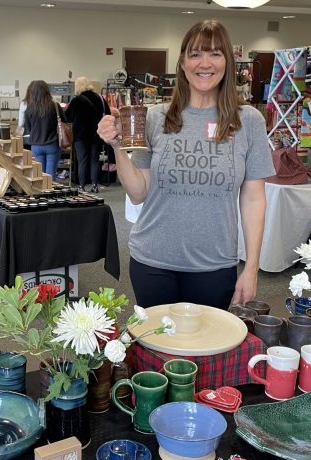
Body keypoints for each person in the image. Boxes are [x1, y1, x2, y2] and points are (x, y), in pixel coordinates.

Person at [97, 20, 274, 310]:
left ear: (227, 62)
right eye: (195, 54)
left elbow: (254, 199)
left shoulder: (248, 121)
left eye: (215, 54)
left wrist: (252, 267)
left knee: (206, 351)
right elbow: (138, 192)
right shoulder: (156, 117)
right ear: (182, 63)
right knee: (157, 350)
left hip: (214, 266)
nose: (205, 63)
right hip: (152, 261)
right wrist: (117, 146)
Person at [65, 76, 110, 192]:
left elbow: (67, 117)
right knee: (95, 160)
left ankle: (81, 186)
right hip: (96, 134)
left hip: (80, 136)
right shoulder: (99, 98)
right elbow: (108, 113)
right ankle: (95, 186)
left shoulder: (76, 100)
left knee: (82, 161)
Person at [23, 80, 67, 178]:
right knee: (50, 175)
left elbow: (28, 129)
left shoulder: (29, 109)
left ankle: (42, 192)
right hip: (52, 145)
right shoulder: (55, 106)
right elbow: (64, 122)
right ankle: (50, 191)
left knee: (39, 175)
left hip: (36, 146)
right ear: (46, 91)